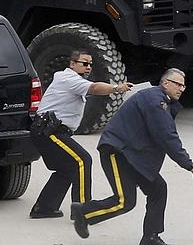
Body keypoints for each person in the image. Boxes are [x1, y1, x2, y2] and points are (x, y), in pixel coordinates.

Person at [70, 68, 193, 245]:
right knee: (124, 201)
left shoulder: (162, 101)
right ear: (165, 83)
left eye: (183, 85)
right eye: (178, 84)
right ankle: (83, 212)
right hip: (117, 151)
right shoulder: (155, 101)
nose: (182, 88)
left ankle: (151, 238)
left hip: (133, 155)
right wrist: (188, 164)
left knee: (158, 189)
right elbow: (166, 136)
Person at [29, 51, 132, 219]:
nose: (88, 67)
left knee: (67, 168)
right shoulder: (68, 78)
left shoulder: (71, 80)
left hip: (51, 131)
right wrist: (117, 88)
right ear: (72, 64)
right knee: (83, 160)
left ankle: (44, 208)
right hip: (49, 130)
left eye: (90, 64)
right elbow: (94, 88)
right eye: (84, 63)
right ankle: (83, 210)